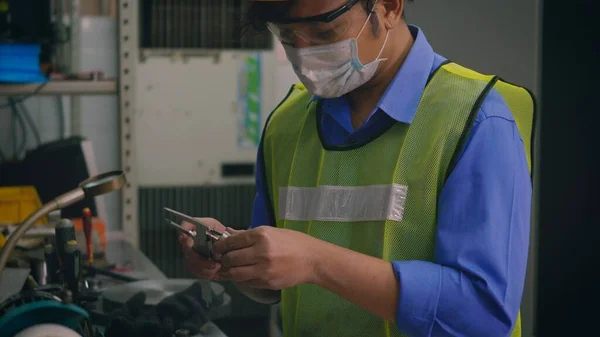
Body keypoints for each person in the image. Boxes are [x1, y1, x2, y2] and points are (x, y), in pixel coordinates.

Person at [178, 0, 535, 336]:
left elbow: (482, 316)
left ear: (390, 7)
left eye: (326, 33)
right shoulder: (287, 125)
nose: (307, 56)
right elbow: (275, 288)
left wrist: (316, 262)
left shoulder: (475, 119)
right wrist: (234, 257)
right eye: (288, 38)